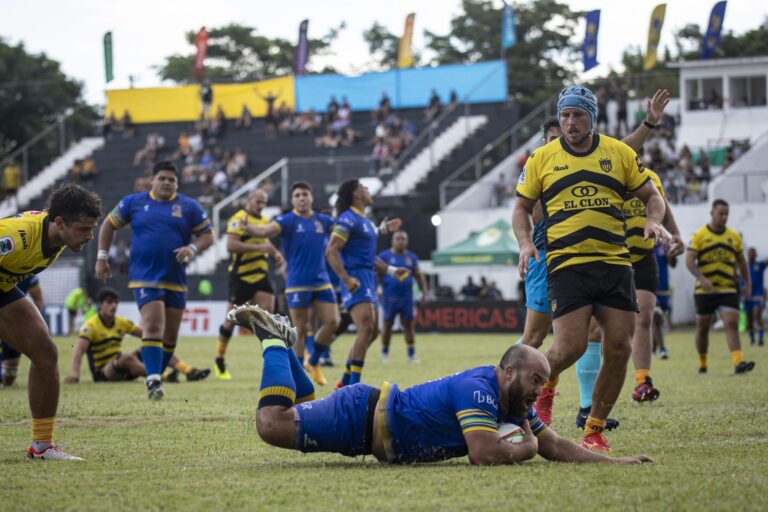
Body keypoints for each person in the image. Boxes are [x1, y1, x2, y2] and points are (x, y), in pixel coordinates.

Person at [226, 304, 652, 466]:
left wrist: (619, 464)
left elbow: (557, 445)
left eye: (543, 383)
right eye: (536, 380)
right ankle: (271, 340)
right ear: (508, 373)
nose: (540, 391)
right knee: (271, 424)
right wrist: (525, 445)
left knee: (300, 406)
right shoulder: (481, 389)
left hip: (366, 430)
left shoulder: (512, 404)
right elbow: (484, 454)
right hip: (362, 416)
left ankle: (284, 346)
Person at [513, 85, 669, 451]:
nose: (570, 122)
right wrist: (525, 242)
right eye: (565, 114)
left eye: (578, 115)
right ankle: (541, 394)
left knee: (618, 346)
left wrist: (653, 220)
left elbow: (653, 197)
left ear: (592, 118)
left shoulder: (617, 153)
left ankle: (594, 429)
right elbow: (521, 208)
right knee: (569, 347)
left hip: (616, 263)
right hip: (567, 265)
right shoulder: (542, 158)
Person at [96, 160, 214, 400]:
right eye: (162, 178)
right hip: (144, 276)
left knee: (170, 337)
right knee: (153, 326)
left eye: (172, 179)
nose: (167, 183)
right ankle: (152, 380)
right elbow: (108, 224)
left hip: (175, 278)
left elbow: (208, 236)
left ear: (177, 183)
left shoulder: (188, 206)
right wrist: (102, 256)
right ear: (152, 179)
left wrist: (192, 248)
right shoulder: (134, 202)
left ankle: (156, 378)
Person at [0, 183, 101, 460]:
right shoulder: (15, 237)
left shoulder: (57, 234)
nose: (90, 236)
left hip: (4, 288)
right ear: (59, 222)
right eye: (84, 228)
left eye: (92, 228)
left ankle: (42, 446)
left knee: (45, 352)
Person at [237, 182, 337, 385]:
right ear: (292, 200)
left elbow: (343, 231)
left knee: (333, 322)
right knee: (300, 328)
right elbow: (266, 230)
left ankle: (315, 360)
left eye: (305, 194)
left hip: (321, 280)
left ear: (311, 198)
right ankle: (300, 375)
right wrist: (249, 228)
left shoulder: (323, 220)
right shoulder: (287, 220)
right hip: (298, 282)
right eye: (297, 195)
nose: (301, 198)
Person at [326, 179, 403, 388]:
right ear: (356, 194)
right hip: (355, 276)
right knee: (366, 327)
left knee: (373, 331)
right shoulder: (347, 219)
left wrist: (393, 270)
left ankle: (345, 380)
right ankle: (353, 387)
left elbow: (369, 255)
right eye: (363, 186)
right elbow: (331, 250)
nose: (368, 189)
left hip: (367, 276)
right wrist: (346, 278)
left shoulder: (365, 221)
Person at [64, 288, 209, 384]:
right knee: (126, 358)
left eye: (115, 303)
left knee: (150, 347)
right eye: (109, 302)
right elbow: (78, 351)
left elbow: (148, 336)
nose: (113, 306)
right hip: (104, 372)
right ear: (100, 305)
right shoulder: (90, 326)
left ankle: (188, 371)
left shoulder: (121, 322)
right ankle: (162, 377)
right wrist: (75, 374)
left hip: (123, 366)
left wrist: (159, 337)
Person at [213, 188, 283, 380]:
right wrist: (260, 247)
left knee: (268, 319)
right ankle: (219, 359)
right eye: (258, 201)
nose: (261, 205)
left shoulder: (264, 222)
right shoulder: (238, 218)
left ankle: (272, 363)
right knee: (231, 321)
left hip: (261, 275)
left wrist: (275, 253)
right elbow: (231, 245)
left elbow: (266, 243)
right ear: (248, 201)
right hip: (241, 276)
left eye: (264, 202)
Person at [686, 199, 755, 374]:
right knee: (703, 328)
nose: (724, 217)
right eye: (720, 213)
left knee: (731, 323)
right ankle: (703, 363)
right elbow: (689, 261)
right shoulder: (699, 236)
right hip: (705, 290)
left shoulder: (734, 237)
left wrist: (747, 284)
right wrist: (701, 277)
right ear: (711, 213)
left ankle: (739, 362)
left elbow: (742, 262)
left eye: (726, 214)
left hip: (728, 288)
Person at [378, 230, 428, 364]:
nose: (400, 241)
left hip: (407, 297)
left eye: (403, 239)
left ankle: (411, 355)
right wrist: (377, 288)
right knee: (387, 325)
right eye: (398, 239)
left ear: (407, 241)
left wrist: (424, 292)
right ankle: (384, 354)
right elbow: (376, 274)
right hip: (389, 297)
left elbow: (419, 276)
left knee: (408, 325)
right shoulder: (385, 256)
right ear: (392, 241)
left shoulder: (412, 257)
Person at [0, 275, 44, 386]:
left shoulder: (27, 270)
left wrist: (30, 321)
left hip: (13, 324)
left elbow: (38, 298)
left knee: (9, 377)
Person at [653, 244, 676, 359]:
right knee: (655, 317)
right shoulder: (642, 242)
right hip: (650, 288)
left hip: (664, 289)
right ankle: (662, 349)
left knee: (659, 321)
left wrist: (671, 253)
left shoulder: (663, 245)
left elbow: (673, 264)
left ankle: (653, 347)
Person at [744, 247, 766, 346]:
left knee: (757, 314)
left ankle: (761, 337)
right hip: (747, 295)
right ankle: (752, 338)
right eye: (750, 253)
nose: (751, 255)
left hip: (758, 294)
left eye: (753, 253)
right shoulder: (743, 266)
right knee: (749, 319)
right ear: (747, 255)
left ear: (756, 255)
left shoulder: (760, 265)